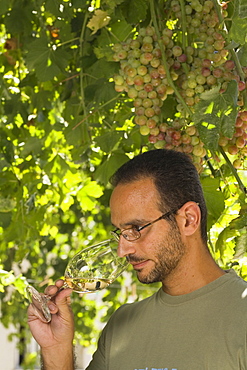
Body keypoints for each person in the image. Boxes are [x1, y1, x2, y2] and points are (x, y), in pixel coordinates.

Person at [28, 149, 247, 370]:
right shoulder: (121, 326)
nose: (123, 250)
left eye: (136, 228)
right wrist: (56, 350)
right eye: (120, 232)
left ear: (189, 220)